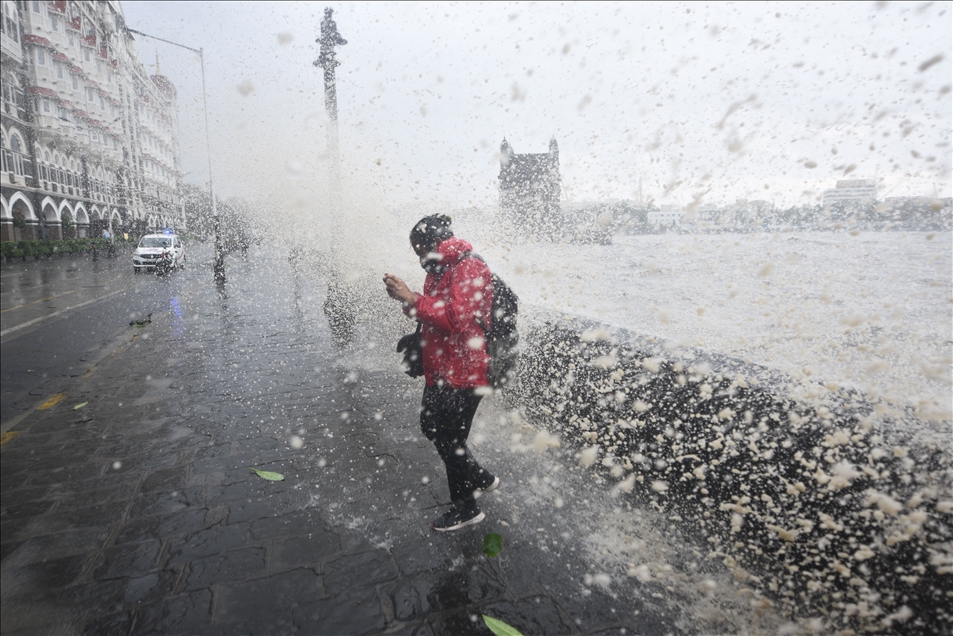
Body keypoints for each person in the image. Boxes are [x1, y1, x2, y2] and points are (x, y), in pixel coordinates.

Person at [383, 214, 500, 532]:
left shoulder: (468, 265)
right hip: (442, 367)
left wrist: (410, 298)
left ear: (436, 243)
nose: (419, 258)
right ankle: (480, 477)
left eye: (420, 250)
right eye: (415, 252)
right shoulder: (439, 270)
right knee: (431, 426)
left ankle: (467, 507)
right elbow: (431, 311)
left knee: (450, 439)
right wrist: (414, 325)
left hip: (466, 371)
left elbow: (455, 318)